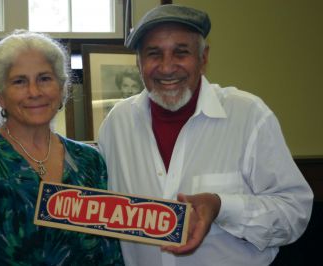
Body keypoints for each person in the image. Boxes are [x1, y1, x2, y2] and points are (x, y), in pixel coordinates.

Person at [98, 4, 313, 266]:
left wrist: (221, 207)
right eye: (154, 54)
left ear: (203, 57)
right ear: (139, 62)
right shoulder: (116, 124)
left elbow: (295, 213)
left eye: (181, 52)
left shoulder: (249, 116)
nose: (167, 68)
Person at [0, 30, 123, 266]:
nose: (34, 92)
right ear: (0, 96)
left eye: (44, 78)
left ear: (62, 88)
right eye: (19, 81)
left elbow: (109, 253)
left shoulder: (89, 160)